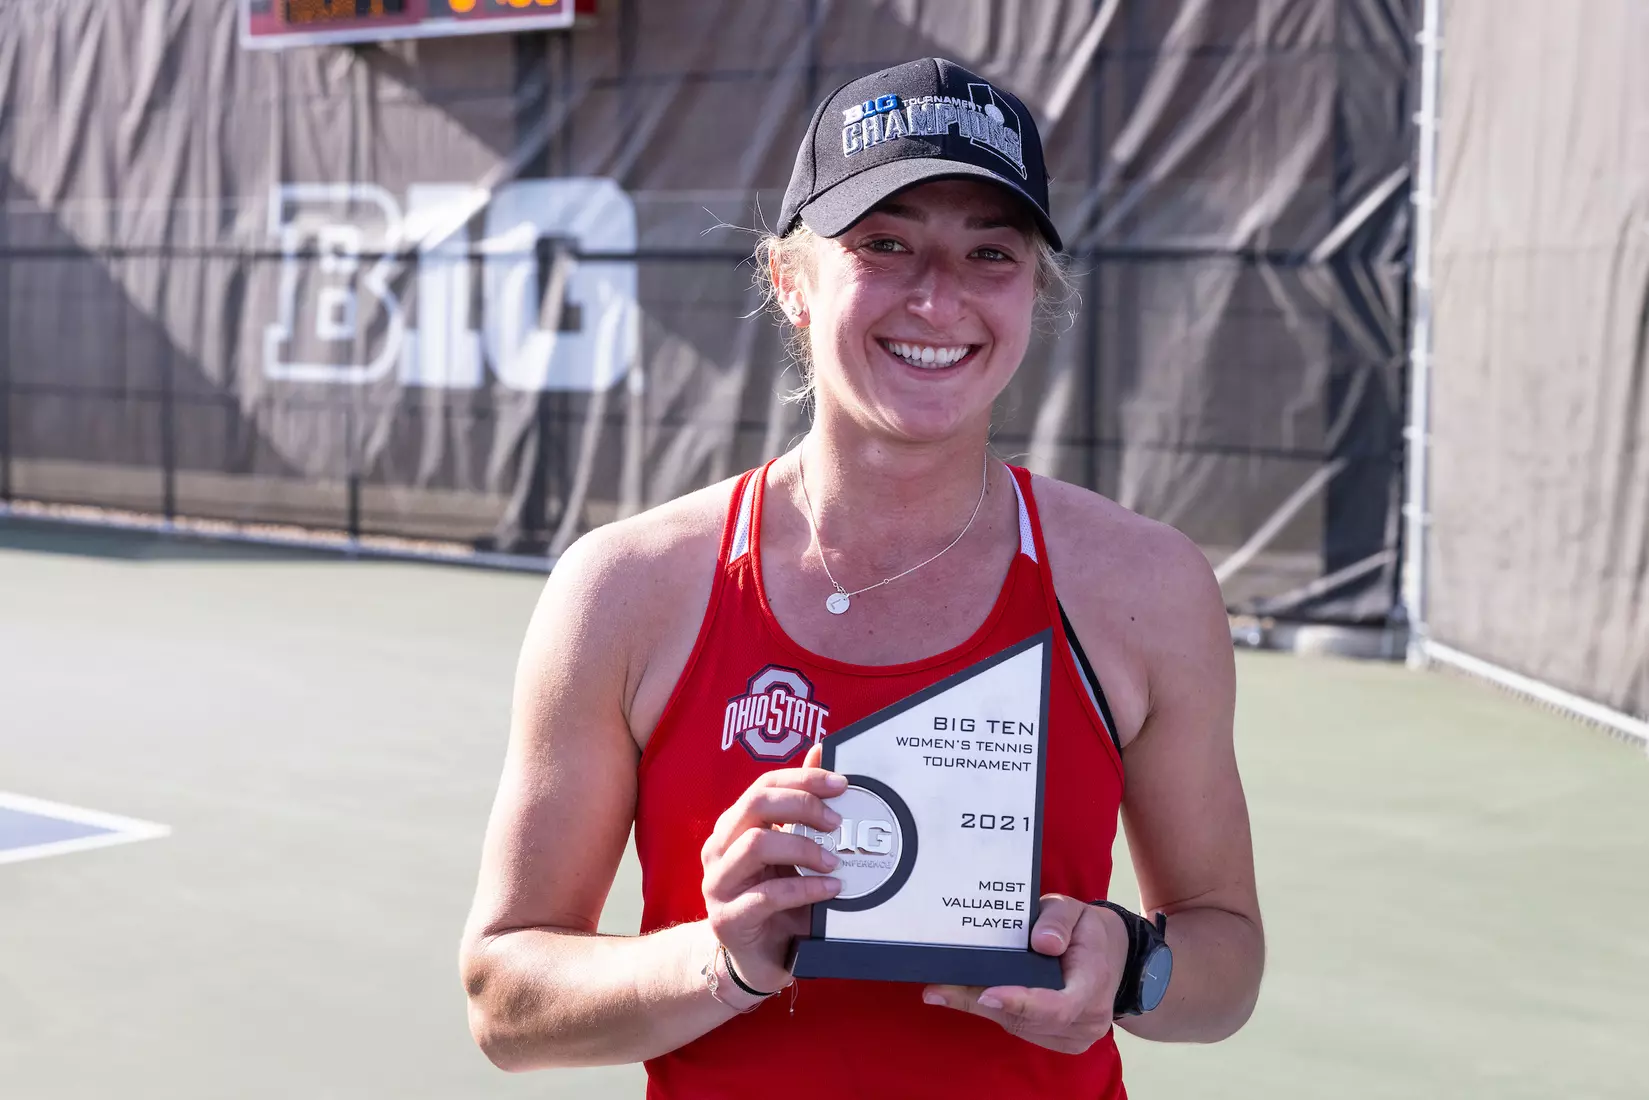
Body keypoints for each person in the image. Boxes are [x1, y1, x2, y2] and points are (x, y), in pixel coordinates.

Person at [460, 58, 1263, 1099]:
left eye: (990, 253)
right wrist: (724, 957)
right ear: (790, 279)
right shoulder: (628, 588)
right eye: (884, 244)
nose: (938, 298)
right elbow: (504, 1001)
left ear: (1032, 290)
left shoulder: (1143, 586)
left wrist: (1129, 962)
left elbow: (1226, 958)